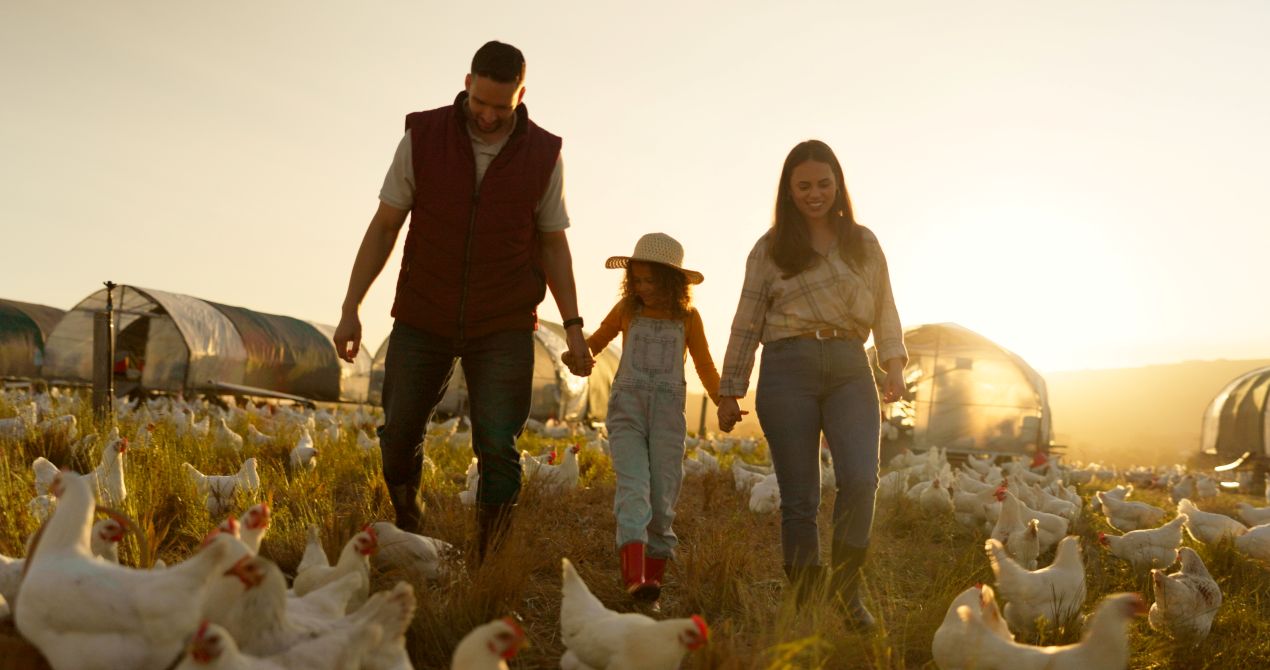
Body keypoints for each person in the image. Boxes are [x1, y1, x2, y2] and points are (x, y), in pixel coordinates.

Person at [333, 41, 594, 561]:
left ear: (522, 95)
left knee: (498, 445)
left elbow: (553, 244)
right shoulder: (422, 136)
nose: (491, 116)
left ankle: (487, 562)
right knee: (399, 431)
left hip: (503, 321)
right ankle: (410, 516)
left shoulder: (544, 154)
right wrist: (350, 307)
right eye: (483, 103)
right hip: (423, 313)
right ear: (468, 82)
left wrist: (573, 325)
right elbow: (386, 225)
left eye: (504, 106)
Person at [716, 140, 907, 630]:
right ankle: (803, 600)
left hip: (849, 366)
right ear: (788, 190)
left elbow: (885, 306)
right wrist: (729, 388)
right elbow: (746, 320)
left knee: (862, 479)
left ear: (838, 184)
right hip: (786, 368)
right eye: (803, 186)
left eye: (824, 183)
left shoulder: (864, 243)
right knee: (800, 497)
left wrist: (894, 364)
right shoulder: (770, 247)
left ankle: (846, 591)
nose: (815, 193)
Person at [564, 232, 720, 608]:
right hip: (628, 411)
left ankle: (652, 591)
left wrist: (723, 401)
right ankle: (636, 579)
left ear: (672, 281)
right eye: (637, 279)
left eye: (650, 280)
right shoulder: (627, 310)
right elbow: (596, 343)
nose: (642, 287)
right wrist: (579, 359)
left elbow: (703, 364)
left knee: (662, 500)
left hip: (668, 417)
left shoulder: (688, 318)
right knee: (634, 492)